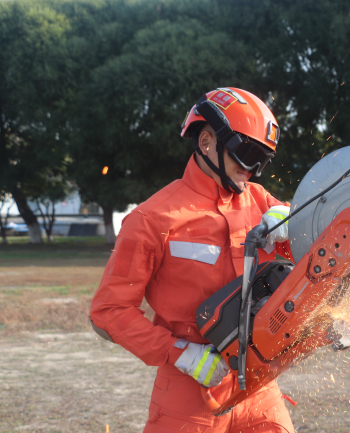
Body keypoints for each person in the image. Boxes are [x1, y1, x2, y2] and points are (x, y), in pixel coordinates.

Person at [90, 88, 295, 433]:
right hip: (190, 390)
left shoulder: (262, 201)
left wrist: (296, 229)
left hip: (259, 387)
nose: (253, 171)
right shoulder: (152, 219)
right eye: (247, 154)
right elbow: (108, 311)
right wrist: (180, 353)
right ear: (206, 142)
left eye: (263, 160)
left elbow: (304, 264)